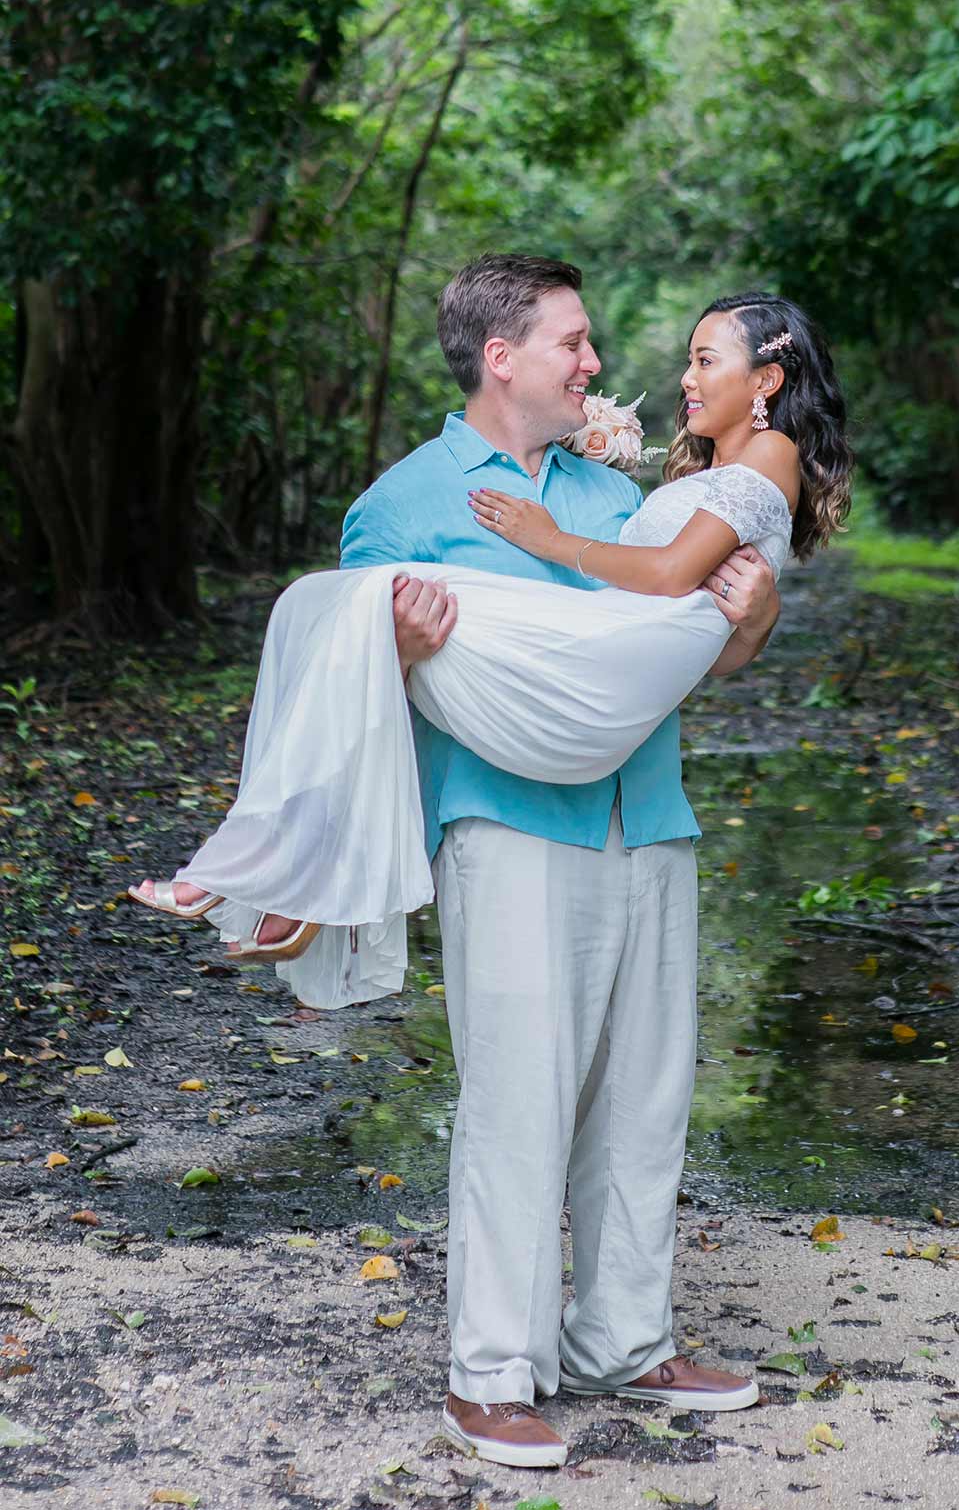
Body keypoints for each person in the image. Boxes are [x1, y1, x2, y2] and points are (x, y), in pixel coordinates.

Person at [131, 256, 852, 1469]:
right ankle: (490, 1378)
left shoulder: (612, 495)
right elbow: (348, 697)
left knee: (645, 1098)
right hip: (509, 830)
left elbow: (665, 649)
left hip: (649, 816)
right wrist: (397, 652)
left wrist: (754, 626)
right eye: (573, 342)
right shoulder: (405, 503)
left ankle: (624, 1340)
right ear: (502, 356)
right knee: (519, 1106)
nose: (595, 364)